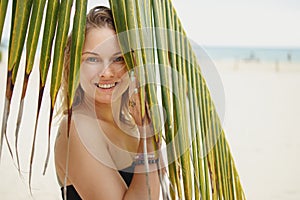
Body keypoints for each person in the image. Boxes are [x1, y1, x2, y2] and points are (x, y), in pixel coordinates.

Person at [55, 6, 161, 200]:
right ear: (73, 65)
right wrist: (147, 137)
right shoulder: (78, 128)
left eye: (118, 59)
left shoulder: (129, 124)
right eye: (93, 59)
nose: (106, 72)